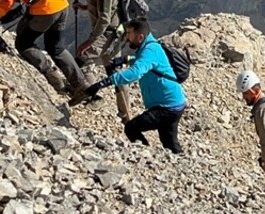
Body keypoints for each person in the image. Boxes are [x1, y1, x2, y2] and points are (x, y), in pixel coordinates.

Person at [80, 18, 186, 154]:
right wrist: (125, 59)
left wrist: (104, 82)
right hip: (174, 103)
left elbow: (136, 72)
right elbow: (145, 61)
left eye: (129, 33)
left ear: (140, 36)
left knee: (131, 128)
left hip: (166, 107)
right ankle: (178, 162)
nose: (127, 37)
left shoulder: (150, 50)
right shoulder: (151, 46)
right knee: (169, 142)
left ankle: (145, 155)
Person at [72, 0, 132, 119]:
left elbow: (105, 18)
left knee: (81, 59)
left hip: (107, 35)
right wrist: (85, 7)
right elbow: (104, 8)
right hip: (111, 35)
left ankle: (93, 96)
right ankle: (125, 115)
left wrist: (90, 41)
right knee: (115, 74)